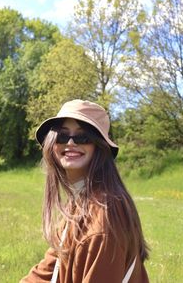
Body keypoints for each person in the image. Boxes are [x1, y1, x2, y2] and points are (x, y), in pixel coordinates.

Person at [20, 99, 149, 283]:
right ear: (52, 144)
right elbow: (48, 270)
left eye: (83, 137)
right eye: (62, 136)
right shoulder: (80, 202)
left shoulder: (104, 216)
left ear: (100, 147)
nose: (71, 143)